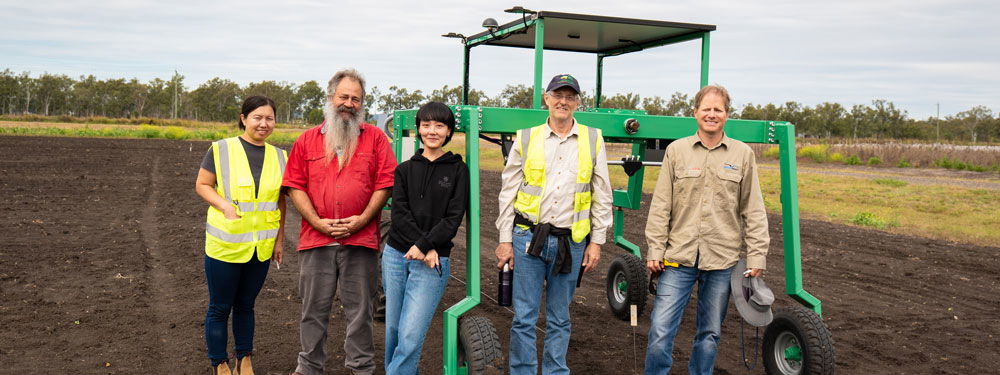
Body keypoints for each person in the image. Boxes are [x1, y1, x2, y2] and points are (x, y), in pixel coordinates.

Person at [643, 84, 770, 375]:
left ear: (727, 115)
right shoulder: (676, 151)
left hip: (722, 261)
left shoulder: (742, 154)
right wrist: (655, 250)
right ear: (695, 113)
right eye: (706, 109)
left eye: (718, 109)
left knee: (709, 335)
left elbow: (753, 209)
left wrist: (757, 256)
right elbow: (661, 205)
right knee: (660, 331)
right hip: (678, 258)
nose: (712, 114)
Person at [494, 74, 613, 375]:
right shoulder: (526, 138)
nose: (563, 101)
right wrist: (505, 240)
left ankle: (555, 371)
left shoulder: (592, 139)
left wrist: (597, 242)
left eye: (570, 97)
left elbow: (602, 193)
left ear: (577, 103)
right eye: (557, 95)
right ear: (546, 99)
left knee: (560, 318)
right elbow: (508, 193)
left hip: (571, 242)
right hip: (528, 238)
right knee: (524, 317)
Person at [282, 69, 396, 375]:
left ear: (362, 103)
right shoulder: (307, 140)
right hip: (316, 239)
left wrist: (362, 220)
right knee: (313, 310)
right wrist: (317, 222)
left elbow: (385, 183)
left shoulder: (376, 139)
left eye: (355, 99)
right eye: (343, 97)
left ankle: (361, 367)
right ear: (331, 97)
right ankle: (309, 366)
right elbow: (294, 185)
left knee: (361, 311)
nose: (349, 103)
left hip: (361, 240)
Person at [195, 95, 288, 375]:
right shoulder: (221, 149)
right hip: (226, 245)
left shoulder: (281, 156)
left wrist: (279, 240)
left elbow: (279, 201)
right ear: (244, 119)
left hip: (260, 247)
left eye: (269, 118)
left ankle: (244, 359)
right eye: (257, 117)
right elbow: (202, 184)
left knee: (246, 306)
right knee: (220, 307)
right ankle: (219, 363)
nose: (263, 124)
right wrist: (224, 205)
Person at [382, 101, 469, 374]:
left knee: (410, 334)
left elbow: (453, 219)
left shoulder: (458, 170)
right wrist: (423, 246)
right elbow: (400, 214)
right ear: (419, 129)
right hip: (396, 256)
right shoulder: (404, 169)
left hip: (432, 261)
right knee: (394, 330)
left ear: (449, 131)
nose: (432, 131)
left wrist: (425, 246)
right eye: (426, 125)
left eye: (439, 126)